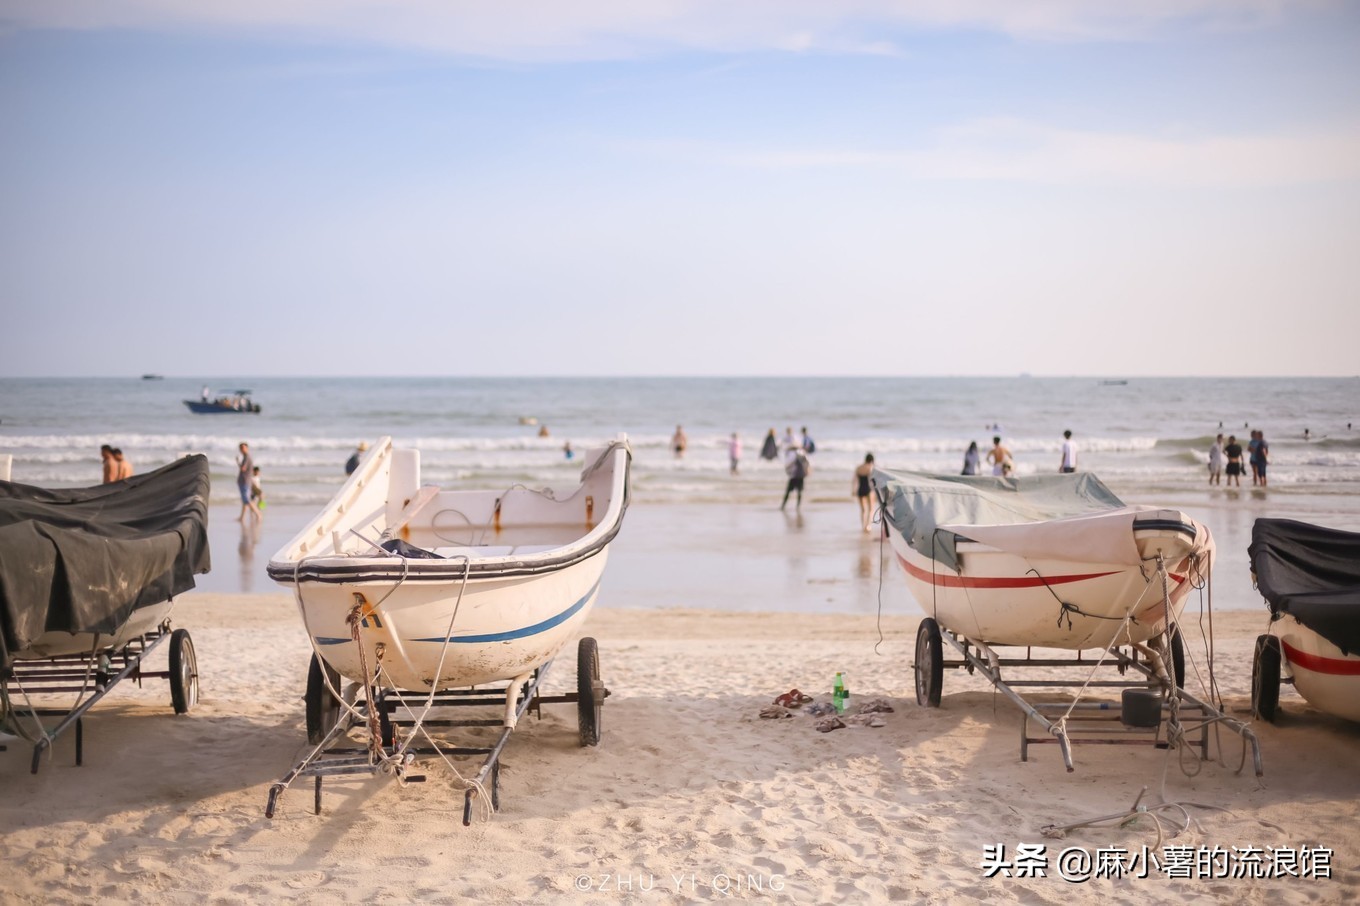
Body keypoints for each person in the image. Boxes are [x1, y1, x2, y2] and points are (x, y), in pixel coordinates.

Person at [781, 444, 810, 511]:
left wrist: (787, 469)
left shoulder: (795, 454)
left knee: (788, 491)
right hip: (800, 475)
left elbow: (791, 463)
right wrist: (807, 471)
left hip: (794, 475)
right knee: (799, 492)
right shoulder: (802, 453)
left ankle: (783, 506)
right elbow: (807, 463)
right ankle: (798, 506)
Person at [237, 442, 260, 522]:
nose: (241, 450)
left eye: (243, 448)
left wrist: (238, 462)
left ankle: (258, 514)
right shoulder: (246, 457)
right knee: (245, 500)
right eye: (240, 448)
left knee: (247, 500)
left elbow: (243, 469)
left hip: (245, 481)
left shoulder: (247, 457)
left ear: (247, 448)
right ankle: (242, 517)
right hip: (244, 481)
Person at [853, 454, 875, 533]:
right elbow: (871, 480)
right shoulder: (870, 467)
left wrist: (853, 490)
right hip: (868, 489)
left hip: (860, 489)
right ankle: (868, 526)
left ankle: (863, 526)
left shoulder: (858, 468)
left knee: (863, 510)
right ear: (872, 460)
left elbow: (854, 480)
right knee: (871, 509)